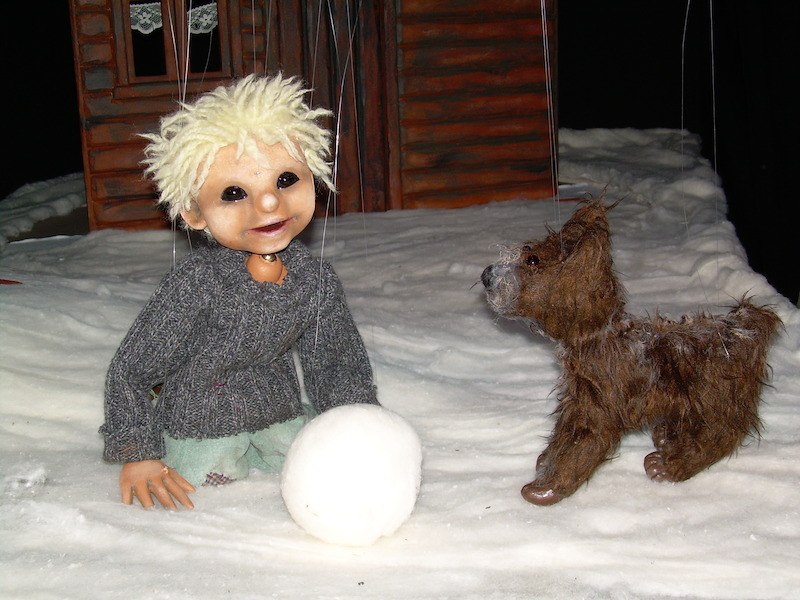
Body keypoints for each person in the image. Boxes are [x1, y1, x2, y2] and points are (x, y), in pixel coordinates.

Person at [101, 74, 378, 510]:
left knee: (316, 481)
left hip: (280, 419)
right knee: (212, 512)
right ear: (194, 212)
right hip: (201, 432)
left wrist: (355, 422)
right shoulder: (198, 283)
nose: (268, 204)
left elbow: (336, 360)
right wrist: (138, 452)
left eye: (286, 180)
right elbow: (132, 369)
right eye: (234, 193)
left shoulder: (314, 278)